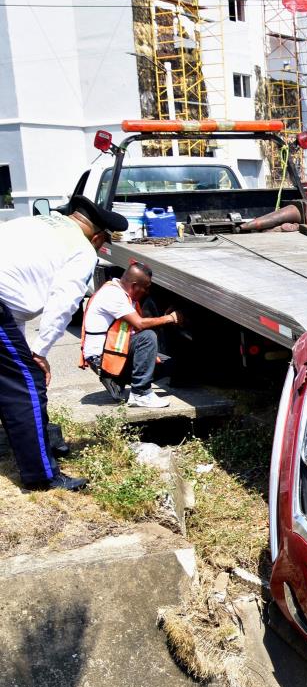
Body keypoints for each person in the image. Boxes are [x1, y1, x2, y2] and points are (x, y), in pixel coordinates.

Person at [0, 194, 127, 491]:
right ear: (97, 238)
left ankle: (41, 441)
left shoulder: (34, 223)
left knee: (10, 376)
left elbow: (14, 295)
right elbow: (63, 305)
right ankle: (42, 476)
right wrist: (40, 353)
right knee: (26, 383)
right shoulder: (82, 250)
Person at [81, 261, 181, 409]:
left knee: (170, 365)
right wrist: (171, 318)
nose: (147, 292)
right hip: (102, 357)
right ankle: (140, 394)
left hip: (113, 352)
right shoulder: (113, 295)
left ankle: (117, 380)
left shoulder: (123, 294)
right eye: (145, 288)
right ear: (134, 285)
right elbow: (139, 324)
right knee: (147, 337)